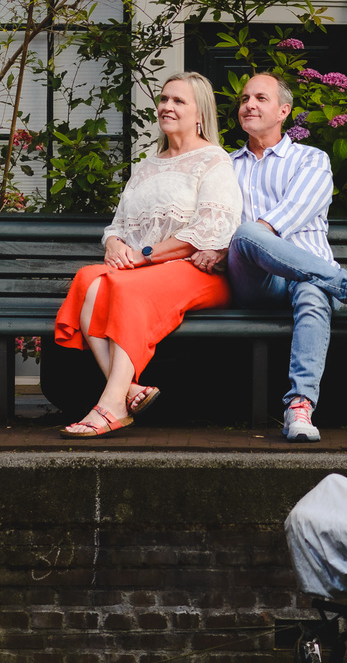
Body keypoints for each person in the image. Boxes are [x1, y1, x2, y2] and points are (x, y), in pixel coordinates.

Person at [207, 72, 347, 444]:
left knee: (312, 291)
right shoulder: (224, 166)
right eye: (245, 98)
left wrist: (248, 233)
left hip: (308, 278)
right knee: (249, 235)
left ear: (284, 110)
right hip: (254, 283)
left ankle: (300, 406)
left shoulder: (312, 160)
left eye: (260, 98)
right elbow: (218, 221)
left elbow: (292, 213)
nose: (248, 104)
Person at [53, 71, 242, 437]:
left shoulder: (214, 161)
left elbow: (210, 229)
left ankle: (109, 406)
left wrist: (144, 254)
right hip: (145, 269)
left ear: (200, 113)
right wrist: (114, 244)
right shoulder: (147, 164)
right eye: (164, 99)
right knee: (88, 279)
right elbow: (118, 224)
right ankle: (130, 390)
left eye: (178, 101)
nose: (166, 107)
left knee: (125, 289)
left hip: (196, 272)